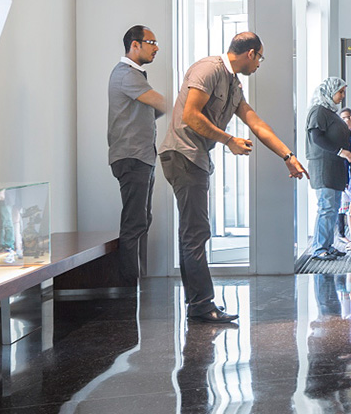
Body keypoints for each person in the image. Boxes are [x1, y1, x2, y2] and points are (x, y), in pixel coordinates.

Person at [159, 30, 307, 326]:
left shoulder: (233, 84)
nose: (260, 64)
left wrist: (288, 156)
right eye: (260, 57)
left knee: (192, 232)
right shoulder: (208, 69)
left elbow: (256, 123)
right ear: (250, 53)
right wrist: (229, 140)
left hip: (194, 157)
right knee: (196, 232)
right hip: (183, 155)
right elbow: (190, 115)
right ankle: (201, 305)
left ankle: (197, 304)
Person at [106, 24, 169, 288]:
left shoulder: (135, 75)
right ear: (135, 45)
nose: (156, 48)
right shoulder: (126, 74)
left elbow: (153, 109)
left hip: (141, 156)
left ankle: (137, 282)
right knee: (134, 223)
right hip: (132, 158)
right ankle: (129, 289)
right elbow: (162, 103)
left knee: (142, 220)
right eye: (151, 43)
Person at [303, 75, 351, 259]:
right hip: (324, 165)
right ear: (330, 91)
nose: (342, 96)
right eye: (340, 92)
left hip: (334, 166)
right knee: (326, 207)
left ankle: (327, 245)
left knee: (333, 207)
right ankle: (319, 248)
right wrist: (341, 151)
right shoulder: (318, 111)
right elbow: (316, 137)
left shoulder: (330, 112)